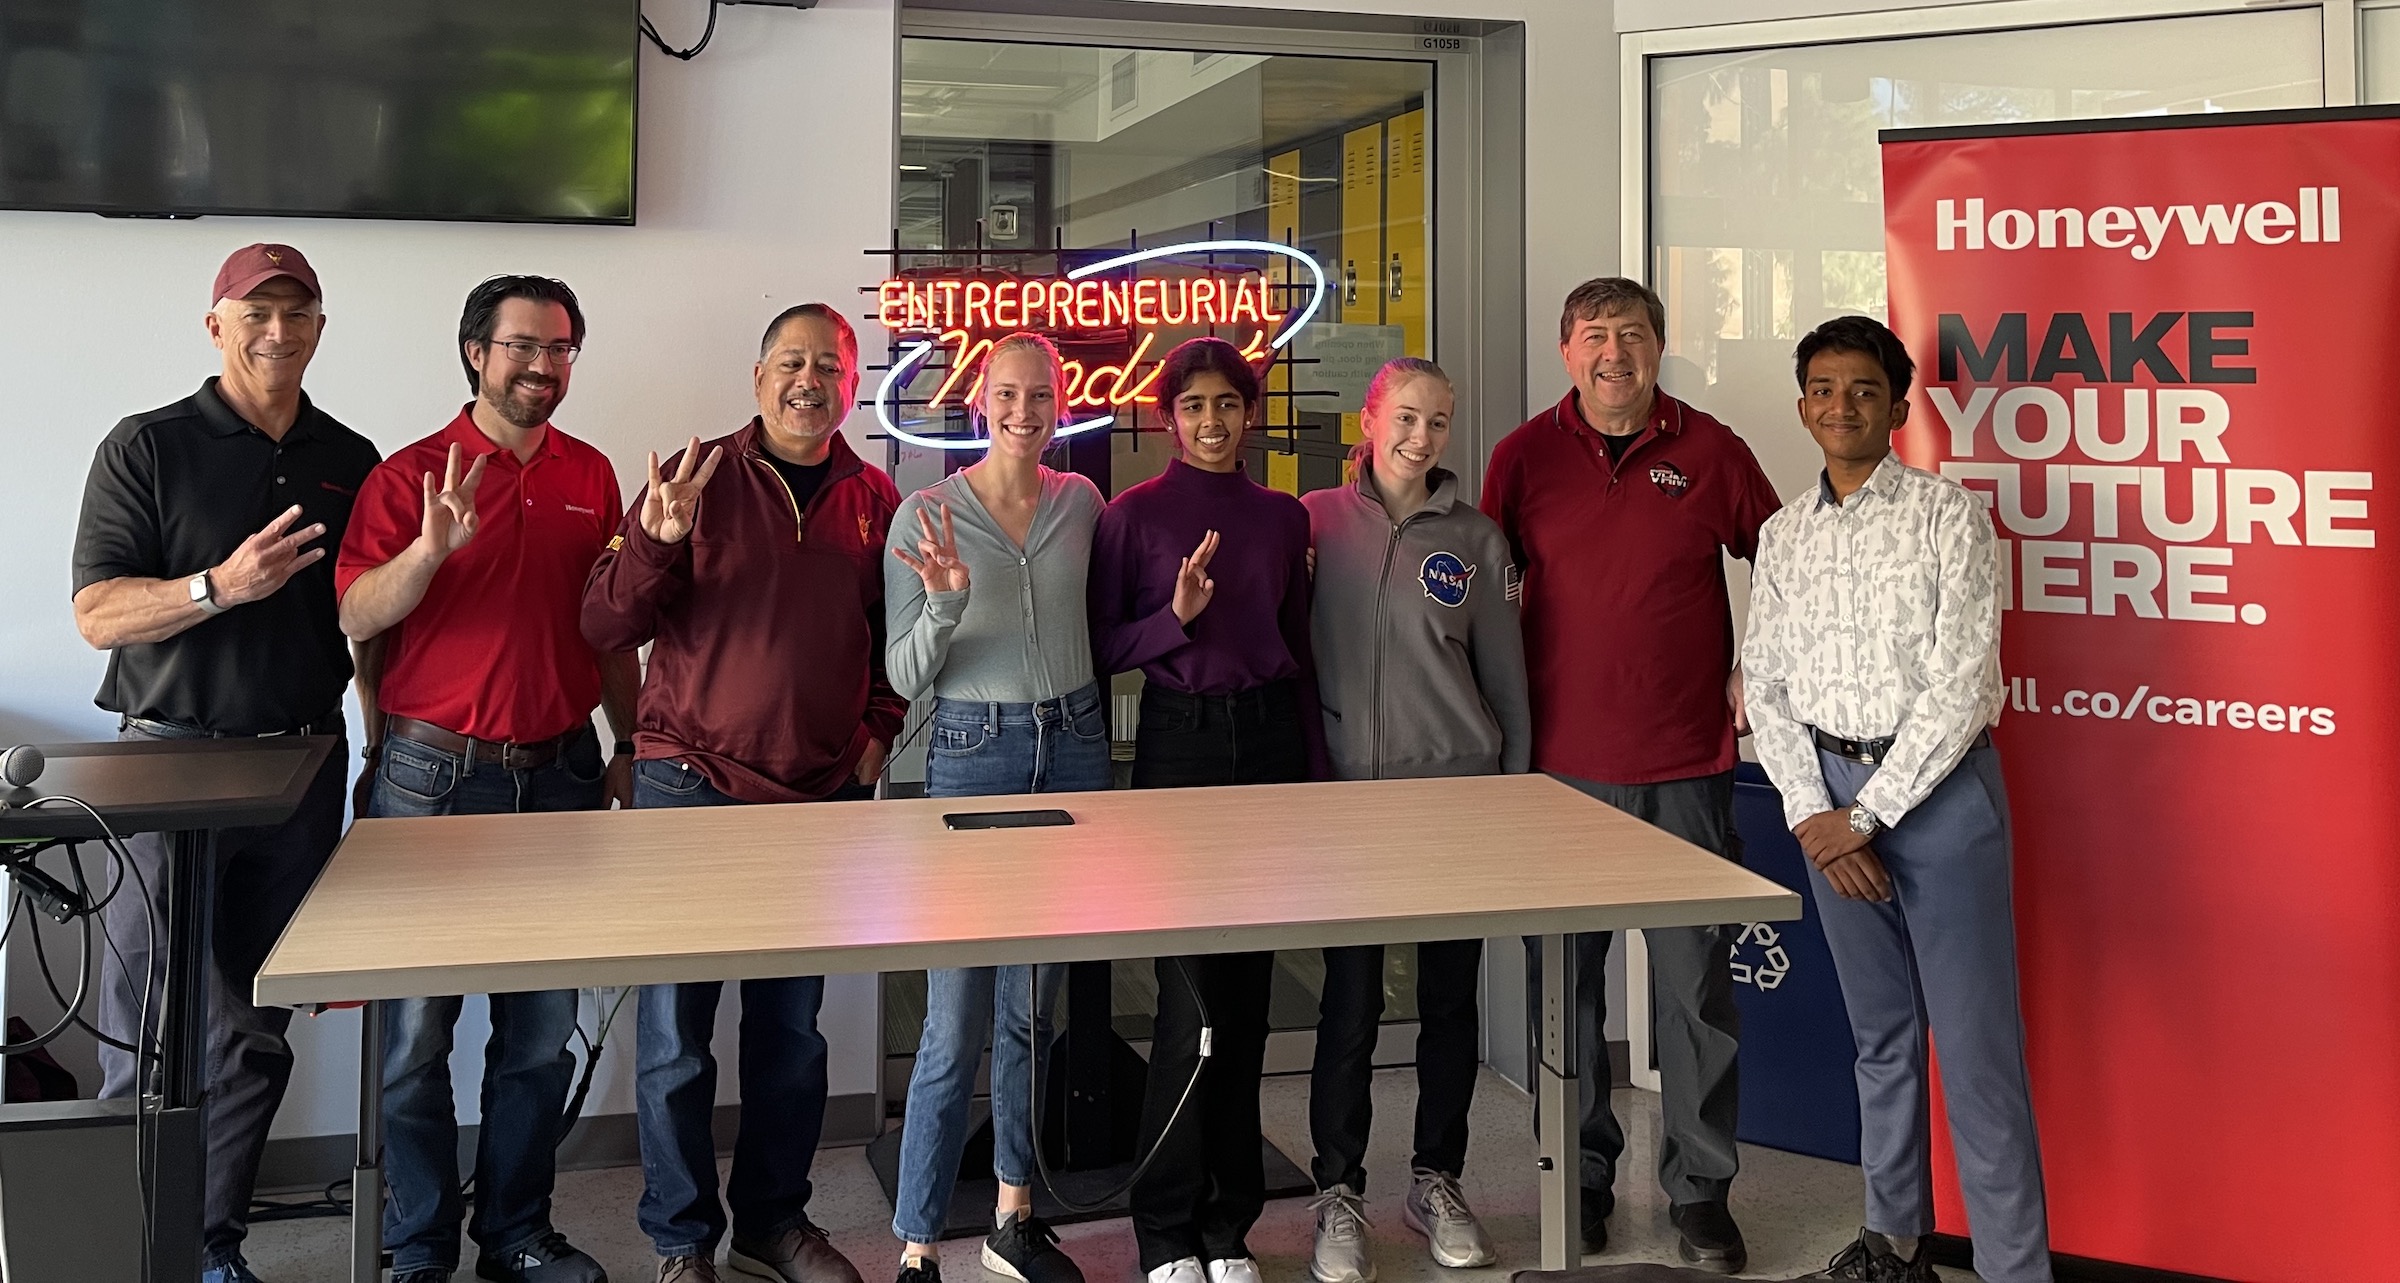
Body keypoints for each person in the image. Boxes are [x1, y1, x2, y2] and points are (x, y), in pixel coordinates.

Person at [70, 243, 381, 1283]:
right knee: (144, 1035)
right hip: (163, 770)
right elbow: (96, 612)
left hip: (300, 769)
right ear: (218, 325)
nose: (278, 330)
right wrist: (216, 587)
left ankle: (208, 1246)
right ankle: (129, 1246)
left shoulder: (352, 455)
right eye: (257, 311)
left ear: (320, 328)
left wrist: (377, 749)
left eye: (298, 311)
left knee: (254, 1030)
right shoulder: (147, 446)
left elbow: (368, 625)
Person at [583, 304, 902, 1283]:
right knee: (677, 1029)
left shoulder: (874, 495)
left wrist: (877, 732)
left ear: (853, 383)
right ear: (759, 376)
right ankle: (683, 1239)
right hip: (693, 786)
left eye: (831, 365)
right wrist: (657, 536)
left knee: (790, 1032)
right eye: (792, 362)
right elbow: (603, 620)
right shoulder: (696, 481)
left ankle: (773, 1218)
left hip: (815, 798)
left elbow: (898, 631)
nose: (810, 380)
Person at [335, 275, 638, 1283]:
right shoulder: (410, 474)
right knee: (416, 1033)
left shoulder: (592, 475)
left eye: (560, 349)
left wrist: (631, 742)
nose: (543, 366)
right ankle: (417, 1245)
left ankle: (515, 1231)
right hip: (431, 776)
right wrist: (427, 551)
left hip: (560, 772)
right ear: (476, 352)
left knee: (539, 1033)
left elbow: (610, 632)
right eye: (523, 347)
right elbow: (358, 617)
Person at [1480, 277, 1781, 1274]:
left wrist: (1761, 661)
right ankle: (1582, 1183)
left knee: (1696, 996)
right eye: (1595, 336)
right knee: (1563, 995)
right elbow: (1482, 595)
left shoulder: (1714, 450)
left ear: (1663, 344)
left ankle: (1701, 1191)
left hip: (1687, 766)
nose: (1615, 353)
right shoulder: (1520, 458)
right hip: (1558, 776)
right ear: (1565, 351)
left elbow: (1787, 561)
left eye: (1635, 334)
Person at [1742, 316, 2049, 1283]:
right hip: (1825, 798)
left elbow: (1964, 685)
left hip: (1939, 796)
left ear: (1899, 408)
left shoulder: (1950, 518)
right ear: (1803, 407)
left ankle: (2012, 1270)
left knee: (1977, 1050)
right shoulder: (1781, 535)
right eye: (1824, 389)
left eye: (1865, 390)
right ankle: (1894, 1243)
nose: (1843, 406)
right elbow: (1767, 684)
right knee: (1879, 1036)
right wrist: (1812, 815)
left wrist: (1862, 819)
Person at [1086, 336, 1323, 1283]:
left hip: (1267, 744)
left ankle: (1231, 1224)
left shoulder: (1281, 517)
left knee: (1251, 998)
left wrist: (1310, 778)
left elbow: (1298, 648)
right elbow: (1101, 646)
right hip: (1179, 742)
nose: (1212, 422)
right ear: (1167, 417)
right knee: (1188, 997)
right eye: (1194, 407)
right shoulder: (1131, 517)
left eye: (1229, 405)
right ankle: (1166, 1229)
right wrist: (1172, 620)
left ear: (1250, 414)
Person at [1298, 358, 1528, 1283]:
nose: (1420, 437)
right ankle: (1337, 1191)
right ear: (1369, 417)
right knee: (1350, 1005)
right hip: (1349, 804)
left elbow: (1508, 682)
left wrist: (1514, 797)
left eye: (1438, 421)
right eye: (1405, 416)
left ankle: (1437, 1177)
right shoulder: (1312, 523)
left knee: (1446, 1002)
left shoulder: (1477, 540)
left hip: (1456, 805)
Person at [882, 332, 1105, 1283]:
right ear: (980, 403)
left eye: (1041, 395)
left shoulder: (1083, 503)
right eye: (1007, 394)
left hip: (1078, 744)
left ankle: (1015, 1214)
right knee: (954, 1014)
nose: (1025, 410)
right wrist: (942, 603)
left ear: (1061, 404)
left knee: (1032, 1004)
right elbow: (900, 675)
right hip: (973, 751)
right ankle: (917, 1240)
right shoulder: (924, 514)